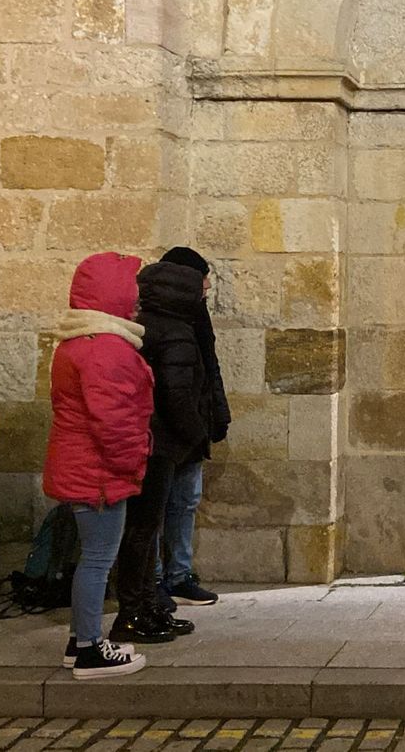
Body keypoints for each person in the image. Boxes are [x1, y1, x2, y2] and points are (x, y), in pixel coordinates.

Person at [42, 253, 153, 679]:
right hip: (100, 473)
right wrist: (132, 467)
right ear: (114, 295)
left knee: (93, 557)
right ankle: (89, 648)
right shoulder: (106, 348)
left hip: (85, 466)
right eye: (132, 290)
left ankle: (80, 639)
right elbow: (115, 421)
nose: (138, 299)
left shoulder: (81, 341)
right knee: (98, 560)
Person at [110, 259, 207, 643]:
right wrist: (196, 434)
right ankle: (135, 611)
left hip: (145, 439)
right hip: (160, 443)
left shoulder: (144, 327)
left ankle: (146, 605)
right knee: (143, 529)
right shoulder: (176, 333)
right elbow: (177, 395)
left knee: (142, 528)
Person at [154, 248, 228, 608]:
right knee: (155, 508)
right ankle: (151, 579)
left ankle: (178, 575)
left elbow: (207, 368)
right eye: (202, 278)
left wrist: (217, 414)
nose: (208, 286)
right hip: (167, 433)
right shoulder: (157, 321)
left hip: (193, 425)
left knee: (185, 502)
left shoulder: (197, 318)